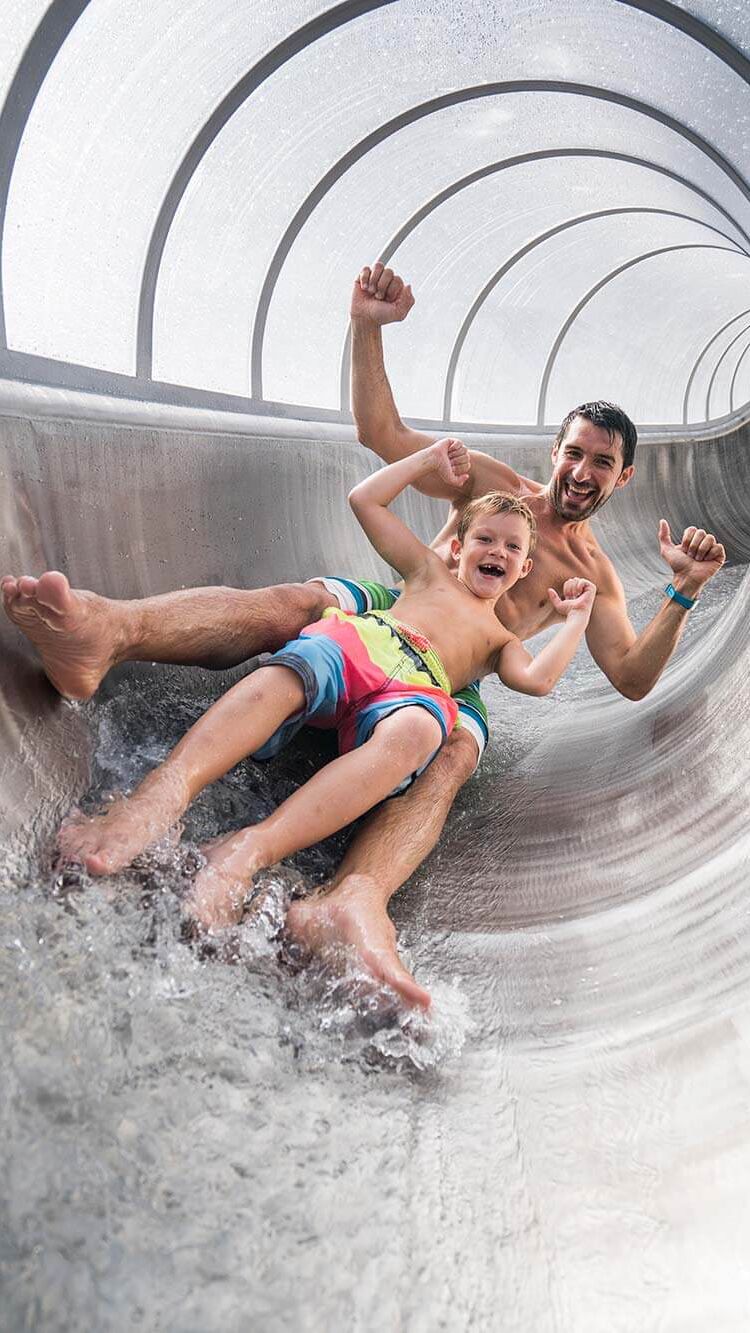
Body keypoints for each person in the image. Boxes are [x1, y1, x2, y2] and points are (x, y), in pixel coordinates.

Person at [1, 263, 726, 1008]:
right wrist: (368, 326)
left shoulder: (595, 574)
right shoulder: (490, 485)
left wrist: (682, 591)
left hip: (458, 671)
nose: (582, 470)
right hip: (398, 602)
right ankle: (110, 631)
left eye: (601, 462)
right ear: (556, 451)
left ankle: (353, 898)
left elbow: (633, 675)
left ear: (625, 478)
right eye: (574, 451)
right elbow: (380, 435)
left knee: (451, 753)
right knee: (298, 603)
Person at [53, 436, 596, 933]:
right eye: (484, 539)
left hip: (419, 688)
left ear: (525, 570)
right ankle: (162, 796)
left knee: (417, 737)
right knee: (300, 666)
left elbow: (539, 680)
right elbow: (366, 501)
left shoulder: (501, 639)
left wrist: (574, 620)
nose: (497, 552)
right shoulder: (428, 572)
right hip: (369, 640)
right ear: (457, 546)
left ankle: (249, 850)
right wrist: (422, 463)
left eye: (511, 549)